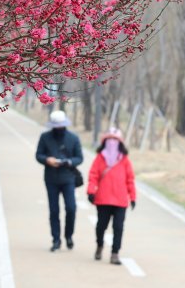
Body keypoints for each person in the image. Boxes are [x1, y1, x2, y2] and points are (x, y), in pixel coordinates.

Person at [35, 109, 84, 251]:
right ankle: (56, 239)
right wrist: (47, 160)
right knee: (54, 210)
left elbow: (79, 158)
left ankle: (69, 235)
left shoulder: (73, 138)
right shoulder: (45, 137)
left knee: (71, 208)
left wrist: (69, 162)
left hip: (68, 178)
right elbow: (38, 155)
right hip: (51, 178)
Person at [87, 127, 136, 265]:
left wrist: (132, 197)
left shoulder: (124, 160)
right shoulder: (100, 158)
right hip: (103, 199)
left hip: (120, 200)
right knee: (101, 226)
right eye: (110, 139)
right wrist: (91, 191)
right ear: (105, 141)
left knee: (118, 227)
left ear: (120, 142)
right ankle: (99, 245)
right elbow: (93, 175)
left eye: (115, 139)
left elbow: (130, 179)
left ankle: (115, 253)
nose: (112, 142)